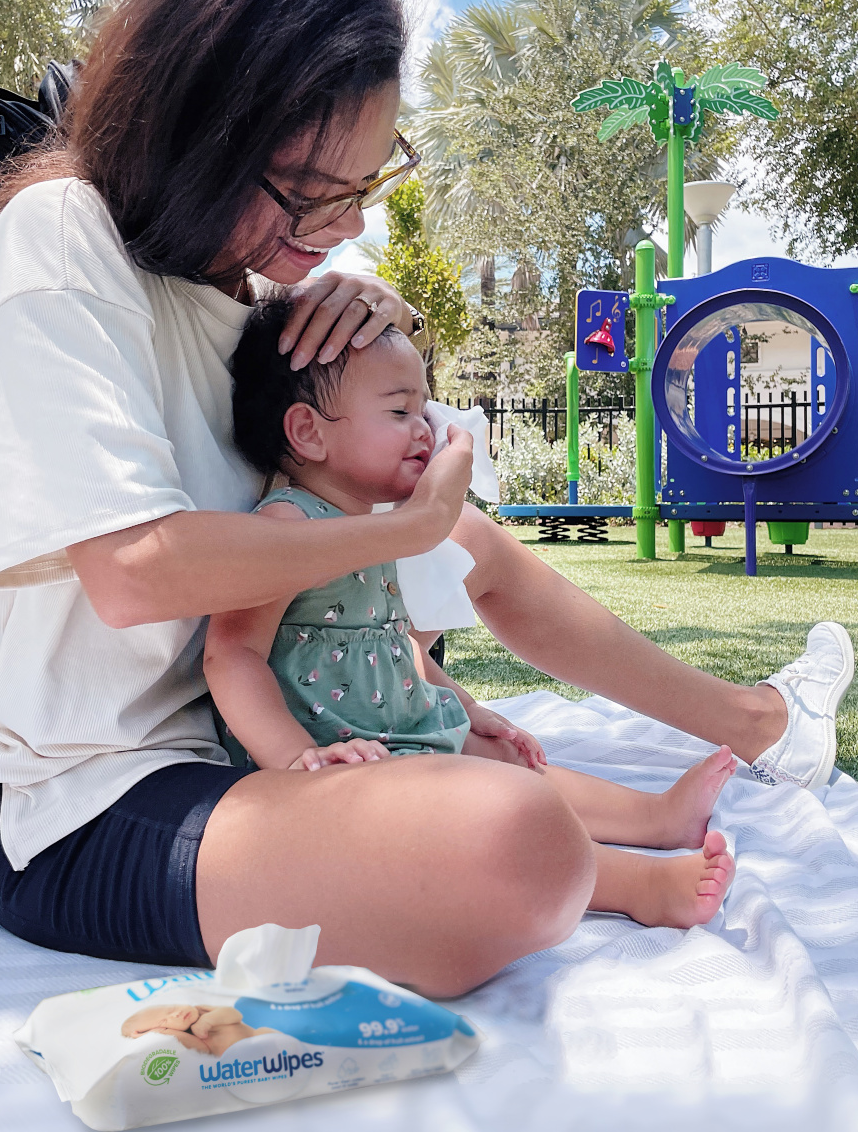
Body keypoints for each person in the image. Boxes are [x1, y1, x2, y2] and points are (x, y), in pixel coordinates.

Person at [0, 0, 853, 999]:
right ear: (191, 128)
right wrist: (405, 527)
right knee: (507, 837)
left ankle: (749, 725)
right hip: (90, 804)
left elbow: (335, 558)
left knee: (484, 749)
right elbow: (133, 569)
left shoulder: (254, 299)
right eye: (306, 190)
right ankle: (640, 834)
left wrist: (358, 316)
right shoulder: (65, 236)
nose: (338, 229)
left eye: (363, 186)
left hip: (248, 751)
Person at [206, 307, 740, 929]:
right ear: (309, 432)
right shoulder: (287, 526)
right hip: (342, 759)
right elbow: (233, 654)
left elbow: (391, 644)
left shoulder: (372, 525)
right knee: (472, 815)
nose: (426, 429)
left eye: (425, 410)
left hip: (401, 727)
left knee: (503, 756)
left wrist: (464, 704)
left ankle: (655, 818)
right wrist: (298, 762)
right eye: (400, 411)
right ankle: (638, 886)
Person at [121, 1005, 275, 1055]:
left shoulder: (201, 1010)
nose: (177, 1013)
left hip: (256, 1038)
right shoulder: (188, 1037)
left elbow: (235, 1014)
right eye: (165, 1021)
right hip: (239, 1060)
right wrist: (162, 1033)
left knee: (265, 1032)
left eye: (171, 1008)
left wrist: (207, 1021)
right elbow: (202, 1050)